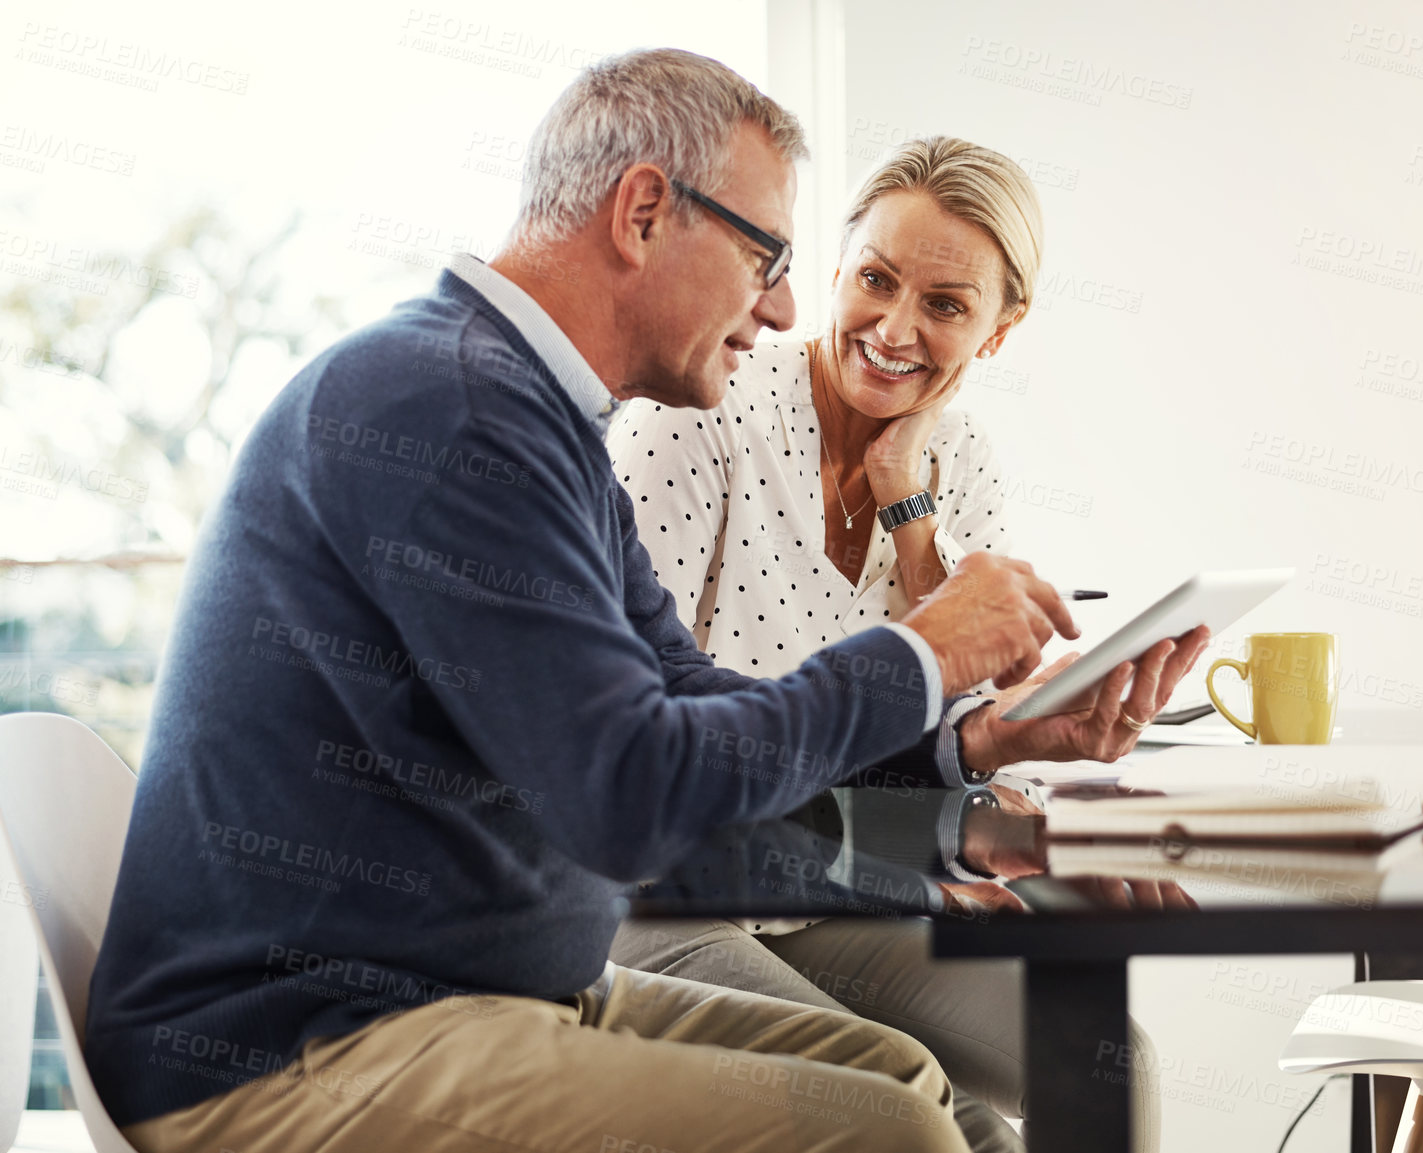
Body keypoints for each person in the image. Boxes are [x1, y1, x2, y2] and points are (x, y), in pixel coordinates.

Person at [82, 48, 1203, 1153]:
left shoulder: (538, 421)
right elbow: (634, 799)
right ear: (643, 213)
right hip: (306, 1043)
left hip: (488, 989)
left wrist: (971, 761)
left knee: (899, 1071)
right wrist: (919, 655)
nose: (775, 308)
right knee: (892, 1129)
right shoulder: (454, 413)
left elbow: (683, 702)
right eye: (764, 255)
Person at [607, 137, 1203, 1152]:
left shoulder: (957, 459)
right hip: (668, 892)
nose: (893, 329)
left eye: (944, 304)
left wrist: (912, 513)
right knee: (928, 1114)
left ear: (1000, 331)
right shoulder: (698, 419)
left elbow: (956, 732)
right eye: (875, 281)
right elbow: (639, 755)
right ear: (833, 272)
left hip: (835, 890)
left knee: (1110, 1057)